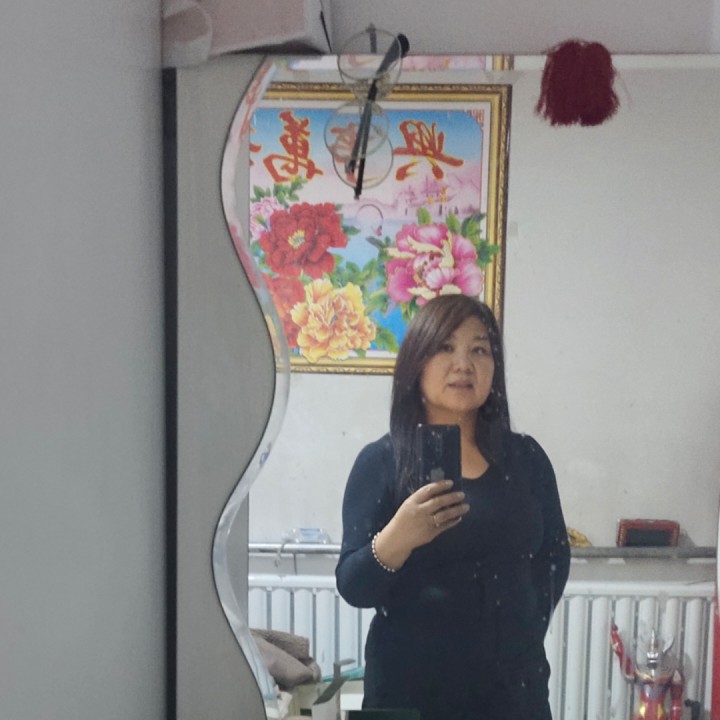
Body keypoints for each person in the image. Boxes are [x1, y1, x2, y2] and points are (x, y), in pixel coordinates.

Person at [335, 294, 570, 720]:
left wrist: (521, 630)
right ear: (416, 362)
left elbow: (554, 556)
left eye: (479, 350)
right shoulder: (382, 461)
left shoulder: (526, 459)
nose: (464, 364)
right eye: (446, 347)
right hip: (408, 691)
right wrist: (398, 537)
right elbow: (354, 586)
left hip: (513, 691)